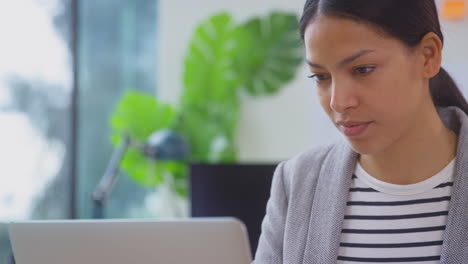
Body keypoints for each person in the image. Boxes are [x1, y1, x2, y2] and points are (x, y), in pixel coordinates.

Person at [253, 0, 468, 263]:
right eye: (320, 76)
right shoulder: (296, 182)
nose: (338, 102)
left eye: (362, 70)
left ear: (428, 55)